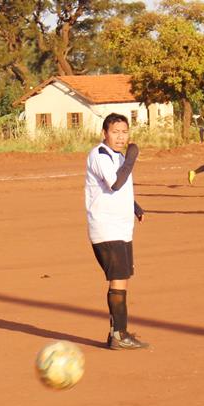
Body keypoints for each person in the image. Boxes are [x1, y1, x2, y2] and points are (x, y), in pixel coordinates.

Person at [85, 113, 149, 350]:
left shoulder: (116, 156)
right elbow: (115, 183)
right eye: (115, 132)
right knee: (118, 281)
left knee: (121, 281)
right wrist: (132, 158)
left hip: (121, 228)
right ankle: (119, 335)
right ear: (105, 133)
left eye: (124, 132)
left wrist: (134, 206)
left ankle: (117, 333)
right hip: (106, 227)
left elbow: (117, 190)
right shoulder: (99, 155)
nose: (121, 137)